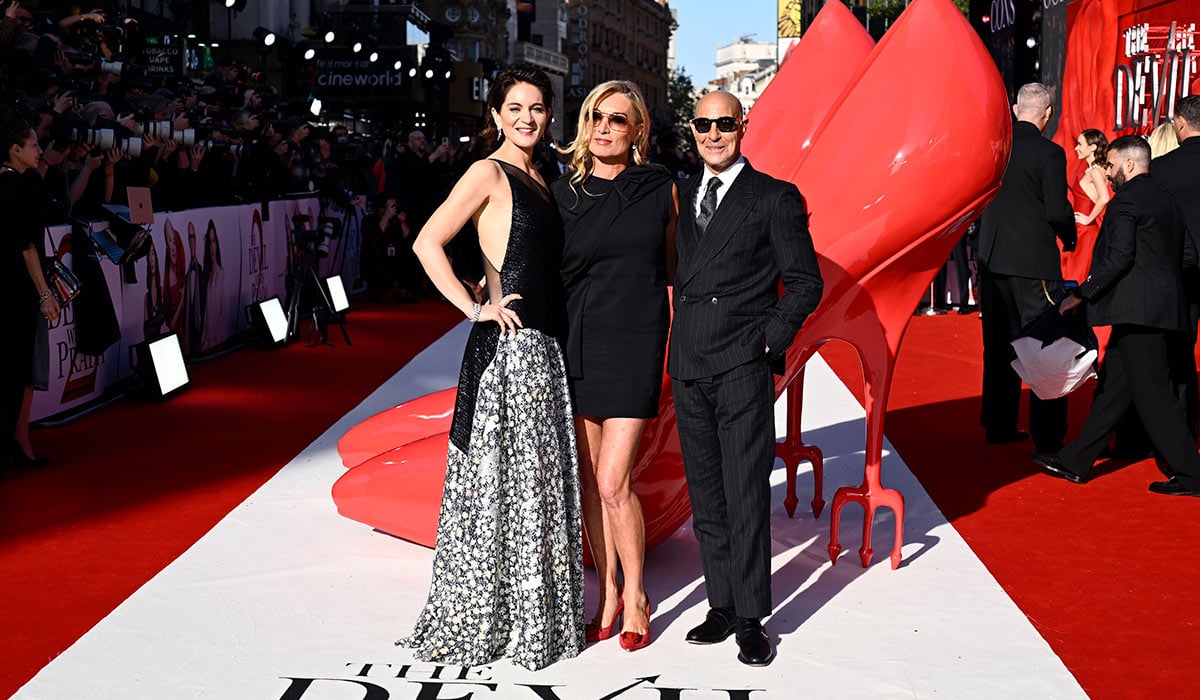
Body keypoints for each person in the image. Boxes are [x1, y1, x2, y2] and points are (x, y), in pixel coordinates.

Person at [397, 63, 584, 671]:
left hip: (545, 347)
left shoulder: (543, 175)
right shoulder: (487, 171)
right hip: (513, 352)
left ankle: (534, 617)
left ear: (549, 115)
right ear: (496, 115)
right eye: (516, 107)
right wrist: (473, 306)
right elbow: (428, 242)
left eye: (537, 108)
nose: (527, 118)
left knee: (533, 487)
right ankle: (501, 618)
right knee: (509, 487)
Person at [668, 91, 823, 666]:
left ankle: (753, 617)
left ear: (743, 126)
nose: (713, 133)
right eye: (704, 124)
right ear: (693, 127)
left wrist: (768, 339)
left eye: (724, 123)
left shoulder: (774, 197)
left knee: (745, 491)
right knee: (706, 493)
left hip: (740, 363)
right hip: (687, 362)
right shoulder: (680, 195)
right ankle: (722, 604)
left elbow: (806, 281)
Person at [552, 80, 677, 652]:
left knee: (612, 481)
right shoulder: (564, 194)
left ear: (638, 132)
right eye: (596, 117)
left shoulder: (659, 189)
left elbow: (678, 266)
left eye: (618, 120)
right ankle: (605, 593)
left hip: (635, 343)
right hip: (577, 343)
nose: (604, 128)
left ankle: (636, 597)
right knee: (589, 483)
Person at [1035, 136, 1200, 496]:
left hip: (1140, 312)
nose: (1107, 173)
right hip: (1159, 309)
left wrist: (1082, 293)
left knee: (1155, 396)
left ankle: (1192, 474)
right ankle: (1076, 460)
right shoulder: (1167, 201)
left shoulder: (1127, 201)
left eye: (1110, 165)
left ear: (1127, 164)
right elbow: (1188, 257)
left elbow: (1119, 256)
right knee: (1114, 388)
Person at [976, 83, 1076, 456]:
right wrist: (1070, 234)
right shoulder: (1049, 153)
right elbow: (1055, 210)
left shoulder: (994, 149)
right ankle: (1048, 436)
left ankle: (998, 423)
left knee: (997, 345)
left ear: (1017, 110)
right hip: (1034, 265)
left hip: (992, 261)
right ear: (1047, 114)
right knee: (1045, 343)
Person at [1, 119, 60, 469]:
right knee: (18, 369)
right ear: (15, 149)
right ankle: (16, 444)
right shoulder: (20, 187)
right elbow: (26, 247)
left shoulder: (9, 183)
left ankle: (18, 444)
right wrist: (44, 294)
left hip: (6, 289)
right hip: (18, 292)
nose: (39, 151)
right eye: (34, 145)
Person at [1153, 95, 1200, 438]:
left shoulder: (1163, 168)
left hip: (1181, 272)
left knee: (1180, 354)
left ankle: (1183, 433)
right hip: (1182, 269)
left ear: (1180, 124)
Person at [1072, 129, 1110, 227]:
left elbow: (1104, 198)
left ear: (1093, 147)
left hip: (1084, 230)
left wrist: (1088, 220)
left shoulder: (1095, 172)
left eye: (1080, 144)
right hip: (1083, 227)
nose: (1076, 148)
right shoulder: (1099, 170)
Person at [200, 220, 224, 351]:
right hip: (206, 341)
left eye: (214, 241)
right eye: (210, 242)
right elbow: (205, 313)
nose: (212, 247)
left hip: (216, 340)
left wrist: (218, 340)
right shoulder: (206, 275)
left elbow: (222, 313)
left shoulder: (221, 273)